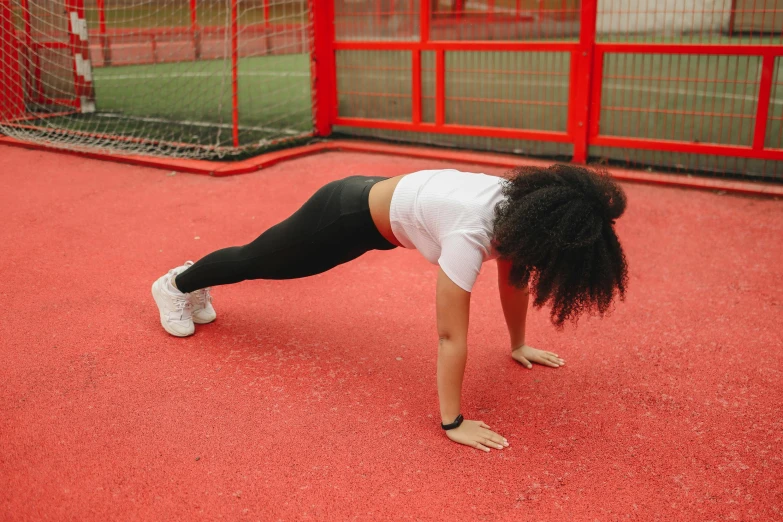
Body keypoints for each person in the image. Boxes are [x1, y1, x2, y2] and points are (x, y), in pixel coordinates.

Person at [151, 164, 628, 452]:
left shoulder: (524, 209)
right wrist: (453, 422)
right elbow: (449, 335)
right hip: (344, 216)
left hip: (374, 210)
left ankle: (192, 283)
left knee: (263, 262)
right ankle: (176, 284)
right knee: (261, 262)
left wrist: (519, 343)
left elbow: (514, 276)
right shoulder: (471, 233)